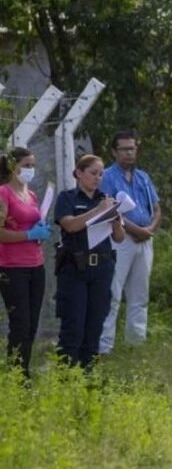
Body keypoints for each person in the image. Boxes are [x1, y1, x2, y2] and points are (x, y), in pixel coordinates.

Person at [54, 155, 125, 369]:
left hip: (102, 266)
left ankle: (89, 376)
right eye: (93, 173)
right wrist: (97, 211)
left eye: (101, 174)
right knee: (74, 324)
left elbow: (119, 238)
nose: (97, 178)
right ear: (79, 173)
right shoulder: (67, 198)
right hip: (75, 266)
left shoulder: (105, 198)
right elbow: (70, 226)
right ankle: (66, 376)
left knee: (95, 324)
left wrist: (114, 220)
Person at [99, 130, 161, 354]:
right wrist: (136, 230)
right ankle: (104, 346)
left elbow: (156, 208)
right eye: (124, 149)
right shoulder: (106, 176)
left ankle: (136, 343)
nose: (129, 153)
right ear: (114, 151)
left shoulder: (143, 177)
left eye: (132, 148)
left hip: (145, 239)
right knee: (113, 292)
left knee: (140, 294)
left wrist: (149, 229)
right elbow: (108, 210)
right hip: (120, 239)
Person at [0, 148, 52, 378]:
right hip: (12, 267)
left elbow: (32, 222)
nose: (31, 170)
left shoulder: (31, 195)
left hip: (35, 264)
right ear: (13, 167)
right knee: (19, 324)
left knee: (31, 325)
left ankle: (23, 368)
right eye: (27, 165)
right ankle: (17, 375)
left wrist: (39, 232)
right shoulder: (3, 193)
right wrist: (27, 235)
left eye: (33, 165)